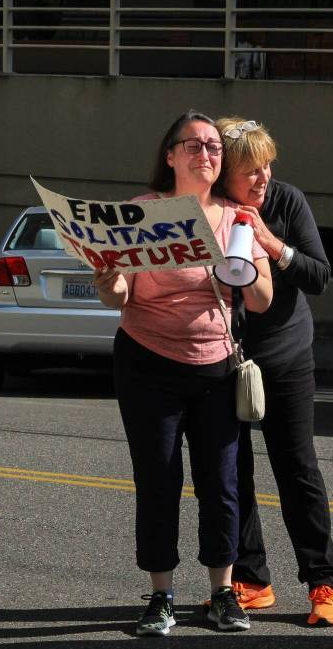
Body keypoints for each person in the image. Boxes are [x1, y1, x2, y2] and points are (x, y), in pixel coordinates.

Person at [95, 110, 274, 638]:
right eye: (193, 146)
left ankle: (223, 592)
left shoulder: (236, 217)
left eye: (214, 147)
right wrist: (108, 279)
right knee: (158, 479)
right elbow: (120, 296)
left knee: (221, 483)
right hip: (148, 361)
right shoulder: (140, 214)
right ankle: (160, 595)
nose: (206, 155)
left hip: (216, 365)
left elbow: (262, 301)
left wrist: (244, 267)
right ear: (170, 155)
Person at [213, 116, 333, 627]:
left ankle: (323, 583)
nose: (262, 178)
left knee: (297, 469)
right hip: (225, 356)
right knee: (231, 470)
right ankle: (251, 579)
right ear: (225, 173)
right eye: (250, 169)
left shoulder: (287, 201)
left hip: (287, 356)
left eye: (267, 166)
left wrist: (271, 242)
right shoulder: (211, 210)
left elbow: (319, 274)